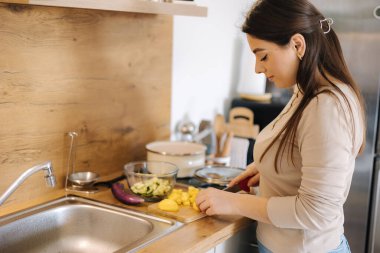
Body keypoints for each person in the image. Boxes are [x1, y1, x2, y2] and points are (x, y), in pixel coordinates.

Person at [195, 0, 366, 252]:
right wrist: (269, 168)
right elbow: (302, 153)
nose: (257, 68)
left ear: (297, 44)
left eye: (263, 56)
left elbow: (317, 212)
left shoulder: (326, 107)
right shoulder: (307, 92)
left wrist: (233, 203)